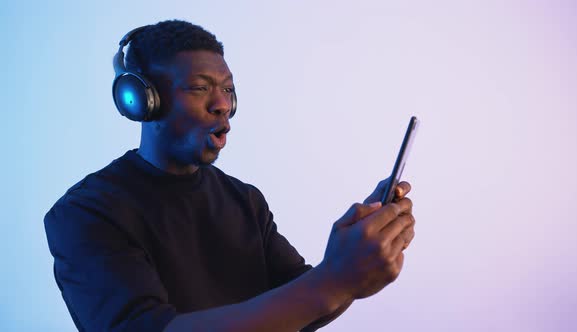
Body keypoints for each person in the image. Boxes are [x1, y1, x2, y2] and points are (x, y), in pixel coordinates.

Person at [44, 20, 416, 332]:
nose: (222, 103)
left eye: (228, 90)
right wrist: (335, 279)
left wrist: (355, 252)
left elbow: (306, 307)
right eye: (200, 88)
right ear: (141, 100)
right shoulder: (86, 212)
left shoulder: (245, 200)